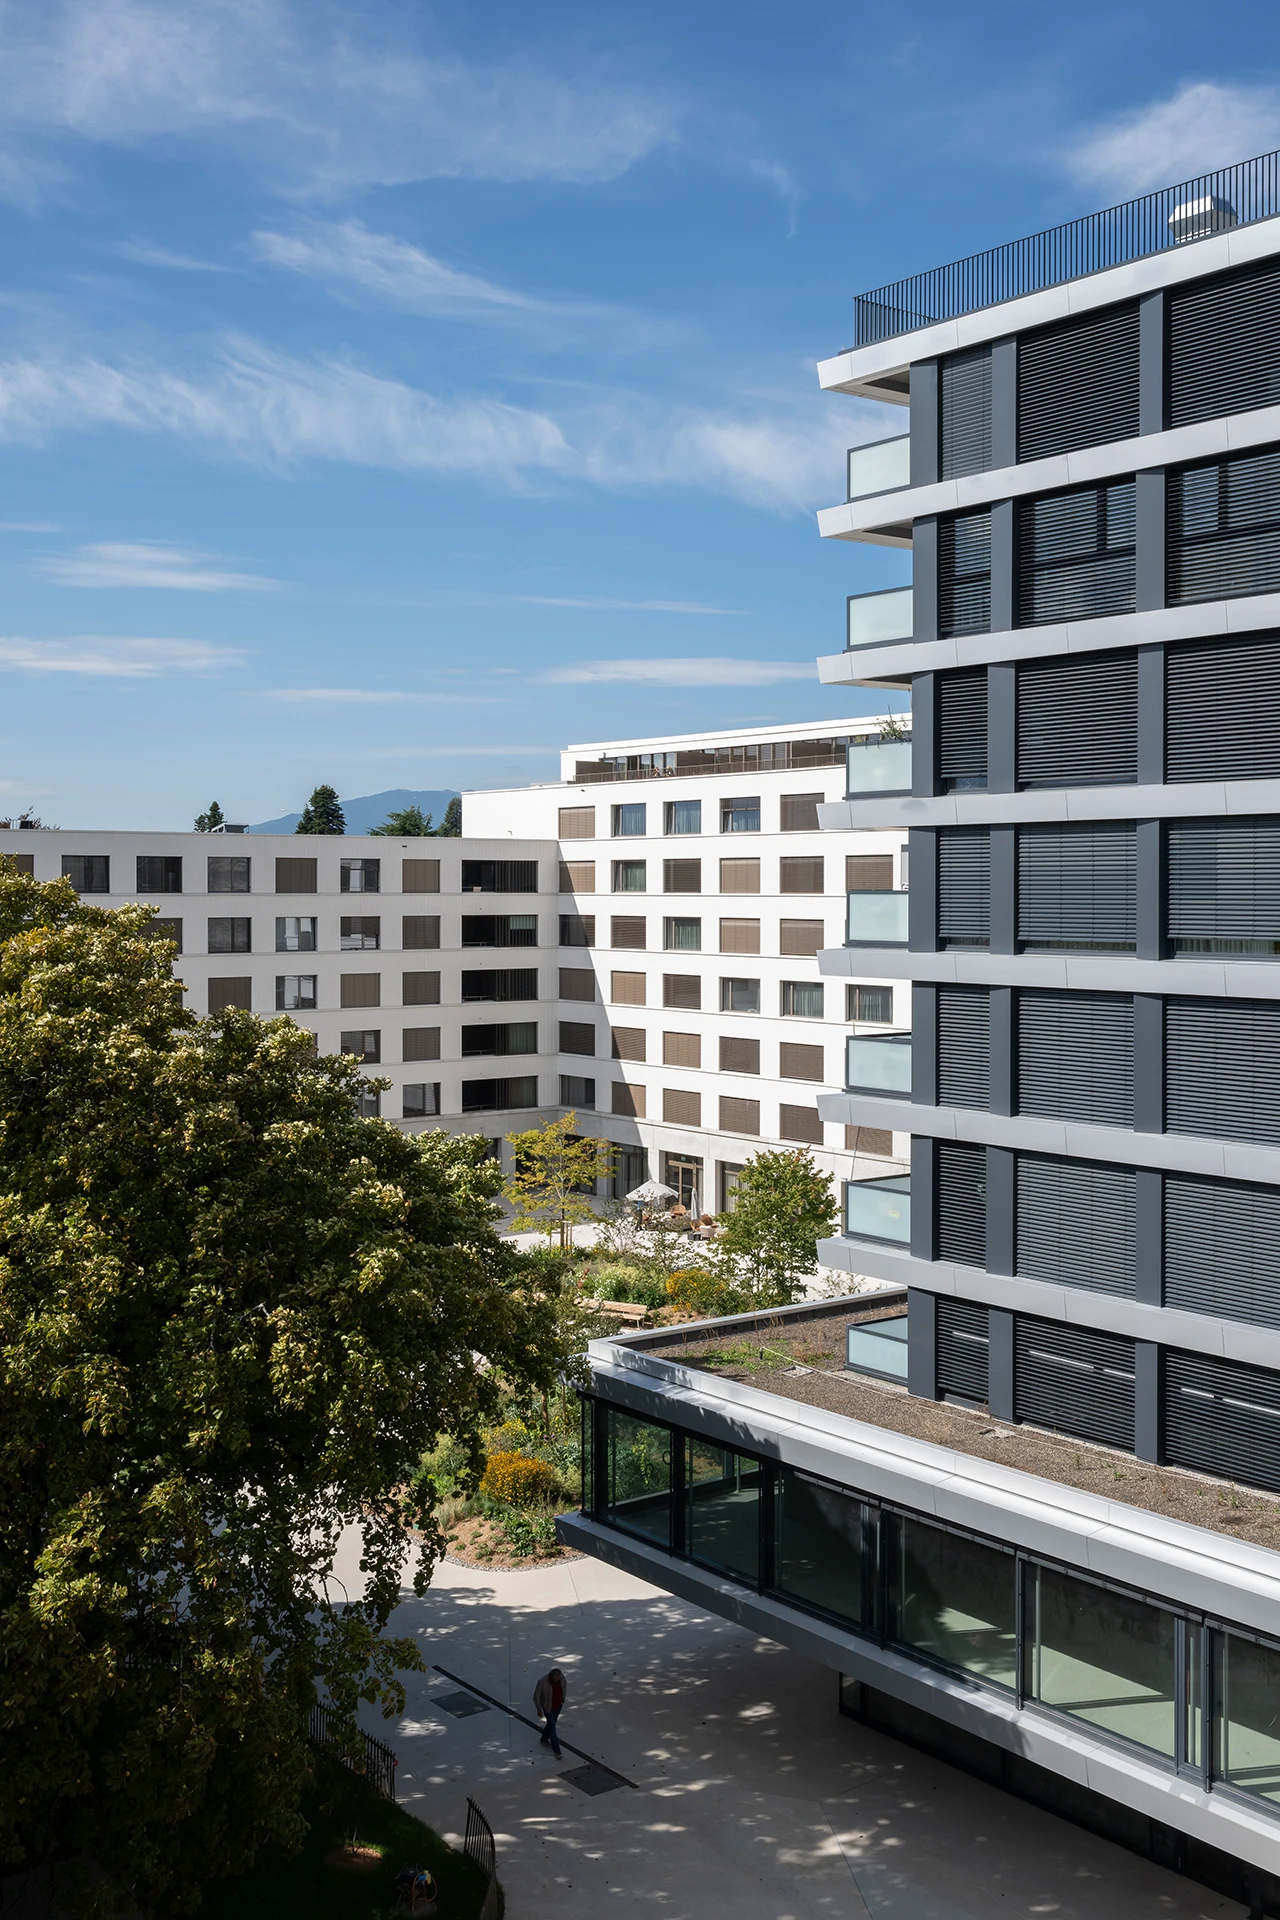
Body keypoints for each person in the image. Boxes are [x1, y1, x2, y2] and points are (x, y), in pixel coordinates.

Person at [533, 1667, 567, 1757]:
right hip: (548, 1708)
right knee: (552, 1728)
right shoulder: (542, 1682)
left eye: (559, 1678)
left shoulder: (562, 1678)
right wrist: (538, 1708)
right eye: (555, 1679)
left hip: (558, 1705)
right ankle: (557, 1751)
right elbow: (536, 1696)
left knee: (551, 1723)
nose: (558, 1680)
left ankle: (544, 1739)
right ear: (551, 1677)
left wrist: (562, 1699)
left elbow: (564, 1686)